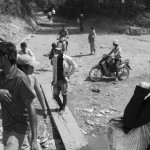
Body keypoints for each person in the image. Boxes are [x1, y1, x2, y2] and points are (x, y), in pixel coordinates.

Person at [0, 42, 39, 150]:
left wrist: (34, 140)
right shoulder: (2, 75)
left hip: (19, 129)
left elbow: (31, 107)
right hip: (7, 127)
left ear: (5, 57)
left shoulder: (20, 79)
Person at [17, 54, 48, 119]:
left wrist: (44, 108)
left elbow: (39, 93)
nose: (33, 68)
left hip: (30, 112)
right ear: (23, 68)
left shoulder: (33, 77)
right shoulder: (14, 79)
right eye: (31, 66)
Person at [52, 47, 78, 115]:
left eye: (59, 50)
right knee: (55, 95)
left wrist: (68, 74)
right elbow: (54, 69)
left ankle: (63, 108)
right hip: (56, 79)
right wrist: (53, 78)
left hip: (63, 79)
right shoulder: (55, 57)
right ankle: (61, 106)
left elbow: (75, 66)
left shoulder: (67, 58)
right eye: (57, 50)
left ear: (63, 50)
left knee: (64, 94)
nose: (58, 51)